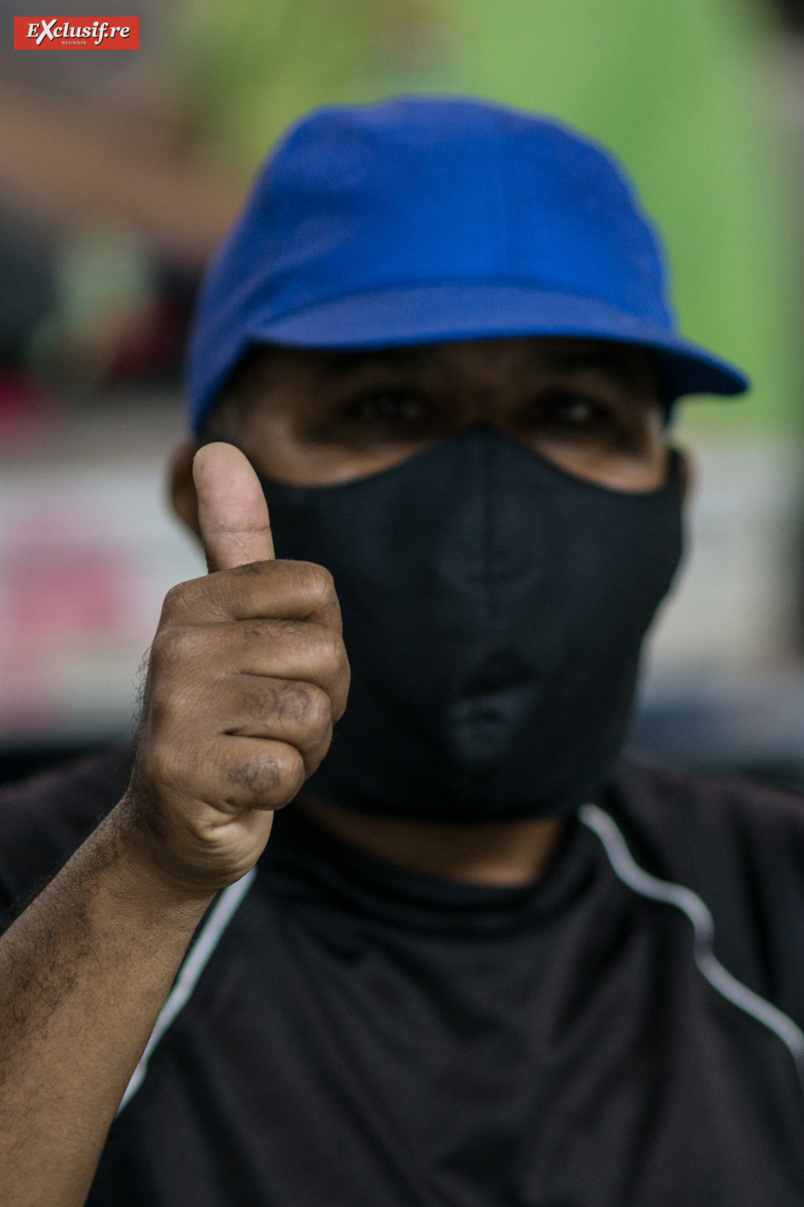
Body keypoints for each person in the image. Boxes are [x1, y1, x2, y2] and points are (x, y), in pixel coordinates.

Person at [1, 97, 803, 1207]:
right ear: (205, 496)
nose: (487, 502)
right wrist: (150, 876)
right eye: (386, 404)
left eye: (571, 411)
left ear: (672, 500)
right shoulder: (36, 891)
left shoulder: (778, 907)